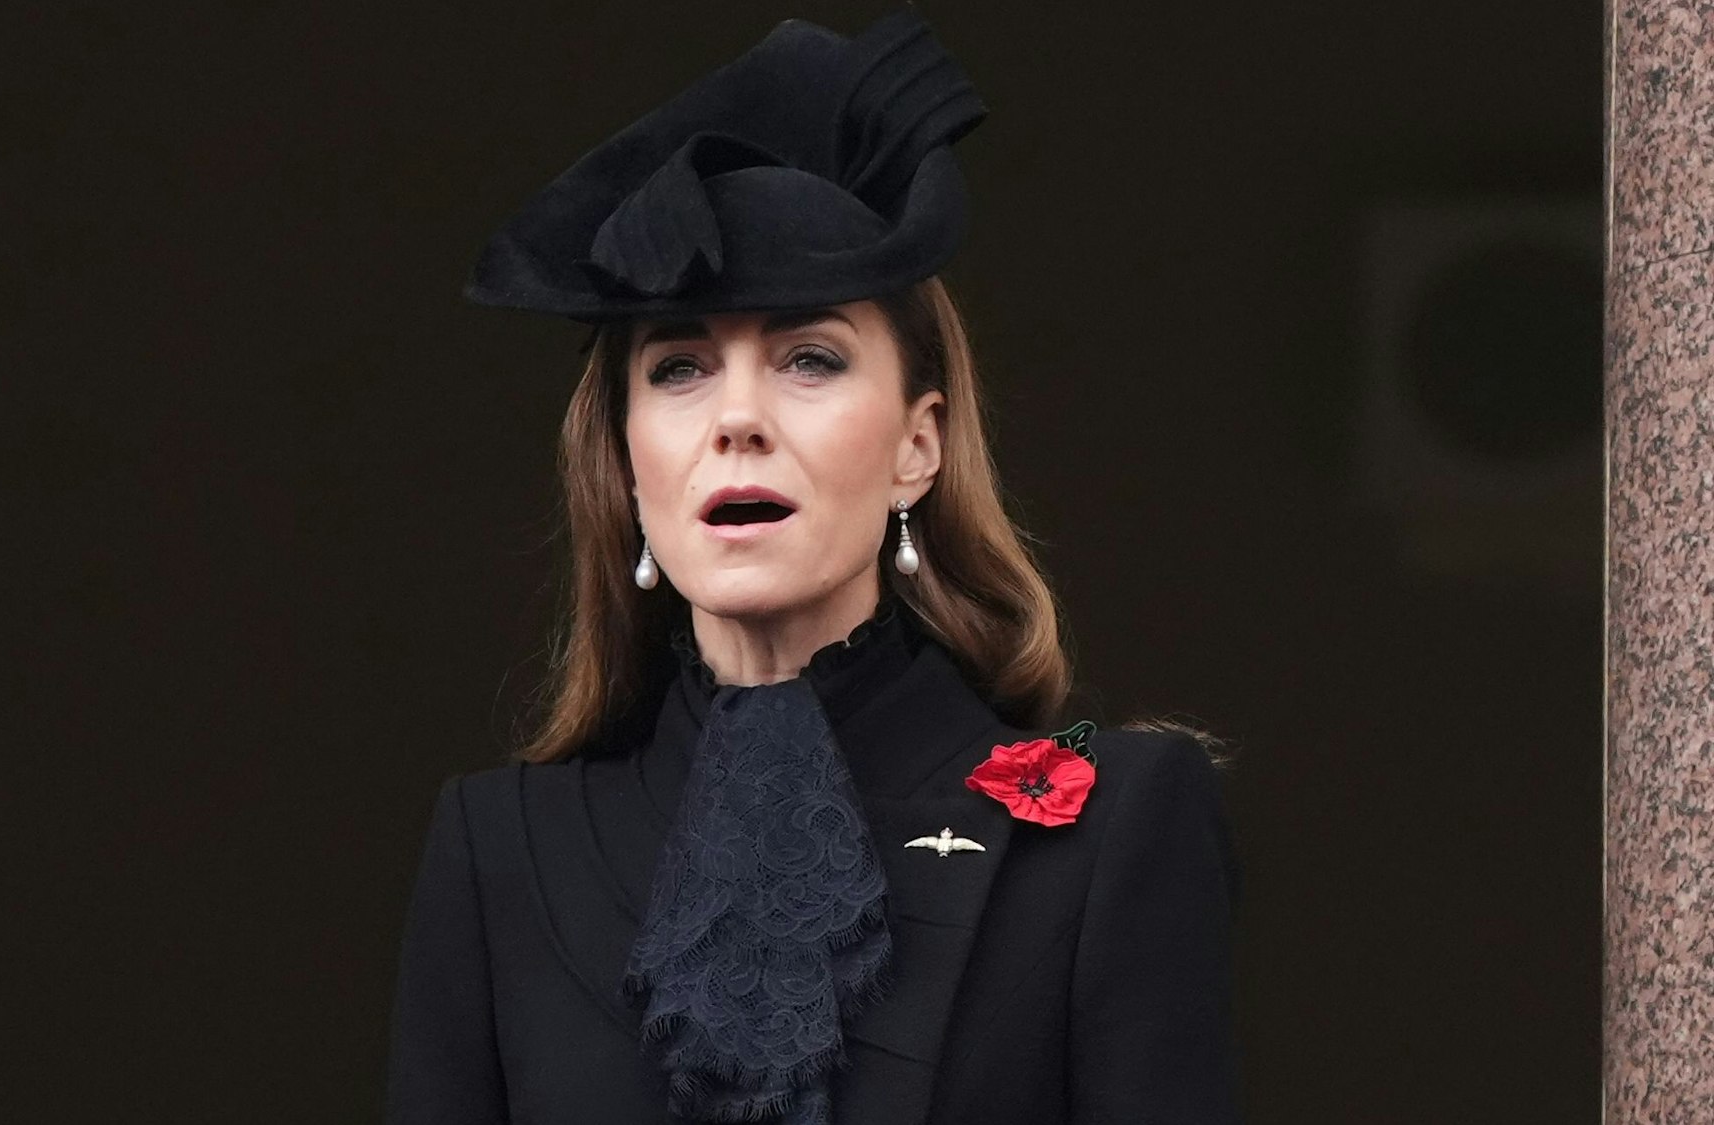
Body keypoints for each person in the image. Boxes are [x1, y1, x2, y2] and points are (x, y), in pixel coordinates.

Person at [386, 8, 1241, 1124]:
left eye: (809, 358)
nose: (736, 417)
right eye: (680, 367)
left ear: (915, 444)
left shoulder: (1105, 826)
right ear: (623, 457)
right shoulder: (496, 848)